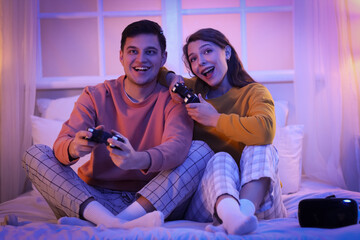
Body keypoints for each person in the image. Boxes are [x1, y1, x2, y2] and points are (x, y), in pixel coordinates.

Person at [22, 20, 213, 229]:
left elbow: (177, 148)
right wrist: (74, 147)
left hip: (151, 201)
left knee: (201, 150)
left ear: (163, 58)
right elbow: (62, 145)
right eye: (133, 51)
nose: (141, 59)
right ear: (121, 55)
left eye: (150, 52)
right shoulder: (95, 95)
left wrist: (136, 160)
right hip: (94, 199)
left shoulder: (173, 98)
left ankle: (110, 223)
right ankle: (112, 222)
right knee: (35, 154)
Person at [163, 28, 287, 235]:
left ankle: (243, 213)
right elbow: (151, 69)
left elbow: (266, 130)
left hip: (261, 203)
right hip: (213, 203)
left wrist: (214, 119)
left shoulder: (254, 92)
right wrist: (172, 78)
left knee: (262, 145)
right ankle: (233, 217)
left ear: (227, 52)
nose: (200, 62)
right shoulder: (194, 90)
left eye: (207, 51)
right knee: (221, 158)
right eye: (193, 59)